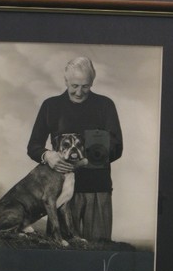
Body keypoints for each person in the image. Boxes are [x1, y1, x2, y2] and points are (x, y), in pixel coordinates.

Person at [27, 57, 123, 241]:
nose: (79, 92)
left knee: (98, 252)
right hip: (61, 191)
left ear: (92, 82)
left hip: (97, 190)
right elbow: (33, 146)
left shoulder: (105, 105)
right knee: (61, 254)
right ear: (65, 81)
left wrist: (84, 161)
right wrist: (48, 155)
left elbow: (116, 146)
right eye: (74, 85)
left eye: (85, 86)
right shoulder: (51, 106)